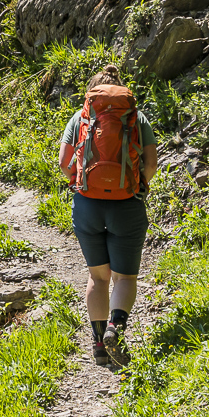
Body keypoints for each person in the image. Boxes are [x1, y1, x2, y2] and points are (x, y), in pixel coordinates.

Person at [58, 63, 158, 367]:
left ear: (92, 93)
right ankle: (116, 326)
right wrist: (138, 184)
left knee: (98, 277)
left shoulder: (81, 118)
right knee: (125, 276)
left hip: (88, 206)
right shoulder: (136, 118)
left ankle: (99, 345)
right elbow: (150, 166)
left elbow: (64, 164)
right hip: (126, 204)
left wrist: (82, 181)